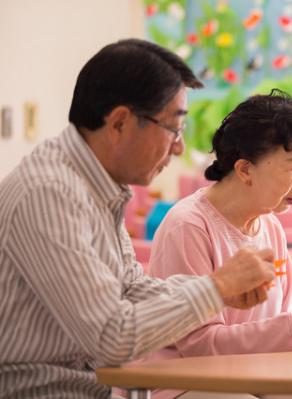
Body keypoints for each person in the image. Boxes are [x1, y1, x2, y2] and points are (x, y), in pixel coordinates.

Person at [0, 39, 276, 399]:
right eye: (173, 129)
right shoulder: (49, 193)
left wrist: (218, 292)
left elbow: (130, 289)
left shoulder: (94, 188)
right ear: (119, 123)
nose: (178, 147)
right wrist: (216, 288)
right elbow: (112, 338)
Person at [146, 90, 292, 399]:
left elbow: (277, 336)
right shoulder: (188, 226)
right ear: (245, 170)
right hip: (186, 383)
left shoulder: (270, 225)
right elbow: (200, 348)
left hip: (253, 376)